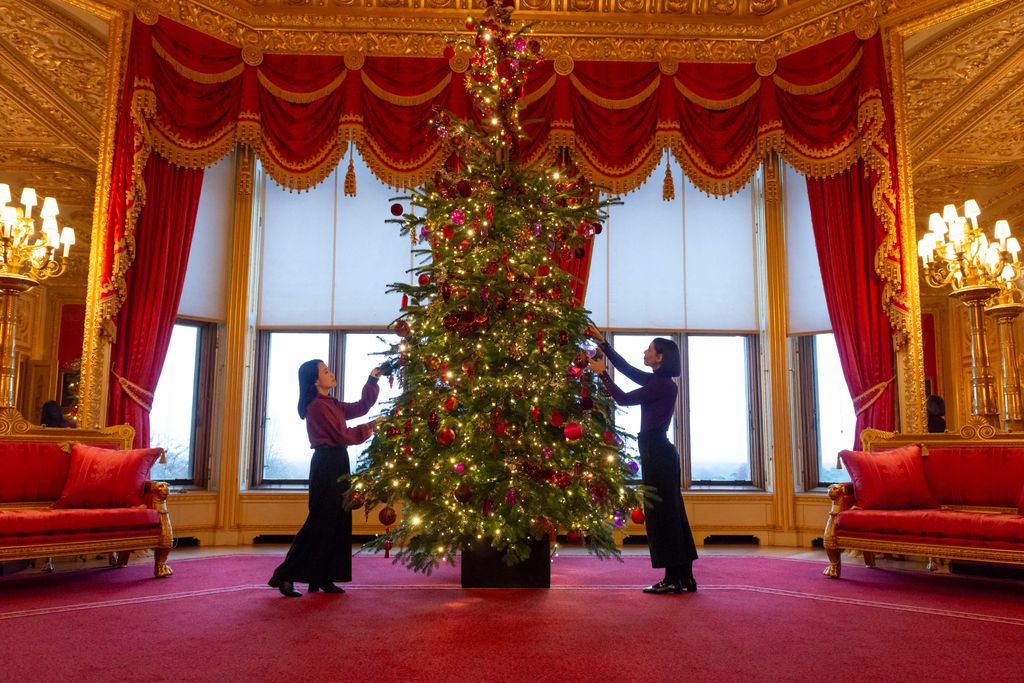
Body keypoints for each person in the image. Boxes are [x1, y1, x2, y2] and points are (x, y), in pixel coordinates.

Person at [588, 330, 698, 594]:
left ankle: (673, 579)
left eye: (649, 350)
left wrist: (602, 373)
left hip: (657, 452)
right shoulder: (660, 381)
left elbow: (623, 398)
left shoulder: (661, 385)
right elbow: (627, 370)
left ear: (659, 357)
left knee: (662, 517)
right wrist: (603, 342)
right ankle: (684, 577)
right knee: (673, 515)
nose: (644, 353)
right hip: (659, 451)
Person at [267, 359, 381, 597]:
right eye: (326, 372)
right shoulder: (317, 406)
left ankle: (323, 577)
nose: (331, 374)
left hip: (338, 461)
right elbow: (342, 435)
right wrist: (371, 427)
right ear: (315, 380)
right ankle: (283, 575)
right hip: (327, 464)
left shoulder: (331, 403)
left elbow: (361, 406)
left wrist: (372, 380)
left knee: (338, 522)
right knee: (320, 523)